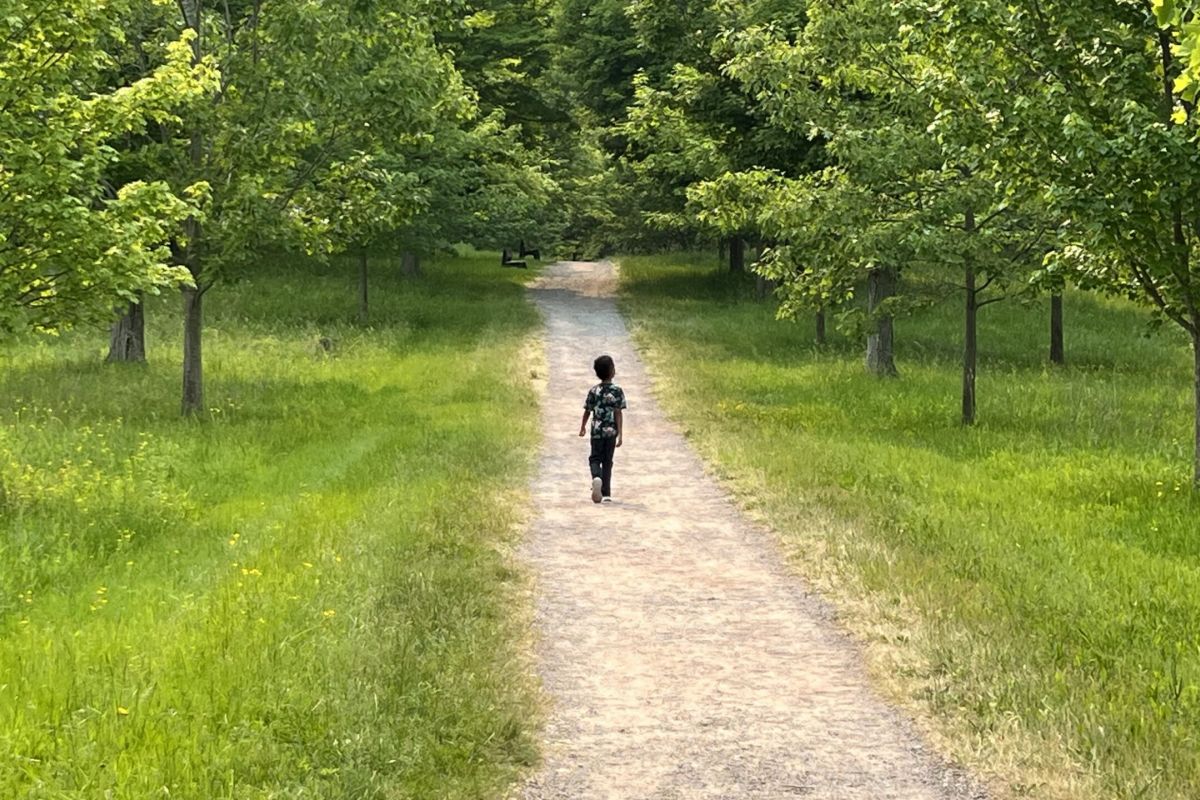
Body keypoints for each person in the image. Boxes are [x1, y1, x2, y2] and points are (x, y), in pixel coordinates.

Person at [578, 355, 626, 503]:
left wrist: (583, 427)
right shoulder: (617, 391)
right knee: (607, 461)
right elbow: (618, 413)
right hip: (611, 432)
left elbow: (587, 410)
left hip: (597, 431)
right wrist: (620, 434)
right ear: (612, 371)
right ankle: (606, 493)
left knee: (594, 458)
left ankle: (596, 477)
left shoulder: (594, 391)